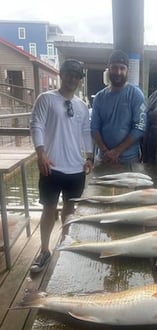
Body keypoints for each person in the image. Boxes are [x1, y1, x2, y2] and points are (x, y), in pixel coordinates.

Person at [30, 59, 93, 273]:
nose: (72, 79)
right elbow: (36, 124)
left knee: (70, 208)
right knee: (48, 208)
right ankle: (44, 250)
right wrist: (41, 153)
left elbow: (86, 132)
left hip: (76, 168)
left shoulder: (82, 105)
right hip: (52, 165)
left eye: (77, 76)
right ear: (61, 74)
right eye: (69, 74)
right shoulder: (46, 99)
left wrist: (90, 156)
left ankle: (65, 245)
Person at [91, 50, 147, 164]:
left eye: (122, 68)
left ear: (128, 70)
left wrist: (117, 151)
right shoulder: (99, 97)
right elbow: (94, 128)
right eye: (114, 68)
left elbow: (140, 127)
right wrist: (106, 151)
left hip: (129, 159)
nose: (118, 72)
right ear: (109, 69)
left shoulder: (136, 94)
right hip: (103, 158)